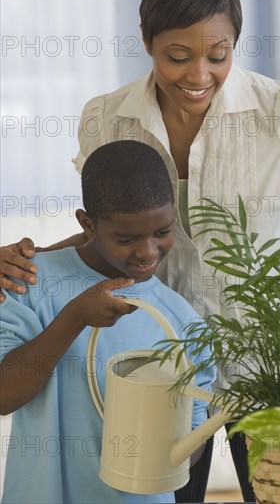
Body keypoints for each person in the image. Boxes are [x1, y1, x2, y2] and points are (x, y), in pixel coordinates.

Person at [0, 0, 280, 502]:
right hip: (160, 362)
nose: (198, 76)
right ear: (146, 39)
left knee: (279, 494)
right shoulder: (105, 117)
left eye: (218, 56)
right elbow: (109, 229)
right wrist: (27, 256)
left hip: (267, 362)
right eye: (177, 56)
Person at [0, 141, 215, 504]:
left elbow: (191, 439)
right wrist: (74, 317)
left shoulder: (180, 320)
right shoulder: (32, 282)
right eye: (126, 238)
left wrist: (161, 448)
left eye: (161, 231)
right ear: (87, 224)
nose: (148, 251)